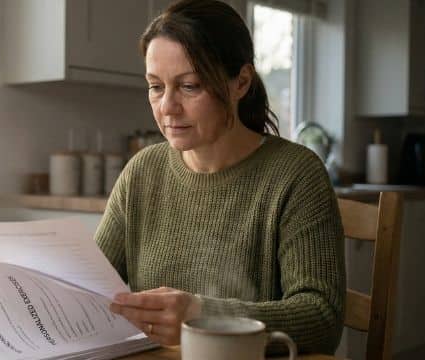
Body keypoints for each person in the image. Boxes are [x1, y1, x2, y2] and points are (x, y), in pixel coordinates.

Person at [94, 0, 345, 355]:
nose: (167, 106)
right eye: (155, 86)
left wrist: (200, 313)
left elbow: (322, 318)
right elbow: (90, 287)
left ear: (240, 82)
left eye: (190, 86)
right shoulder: (142, 172)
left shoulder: (296, 175)